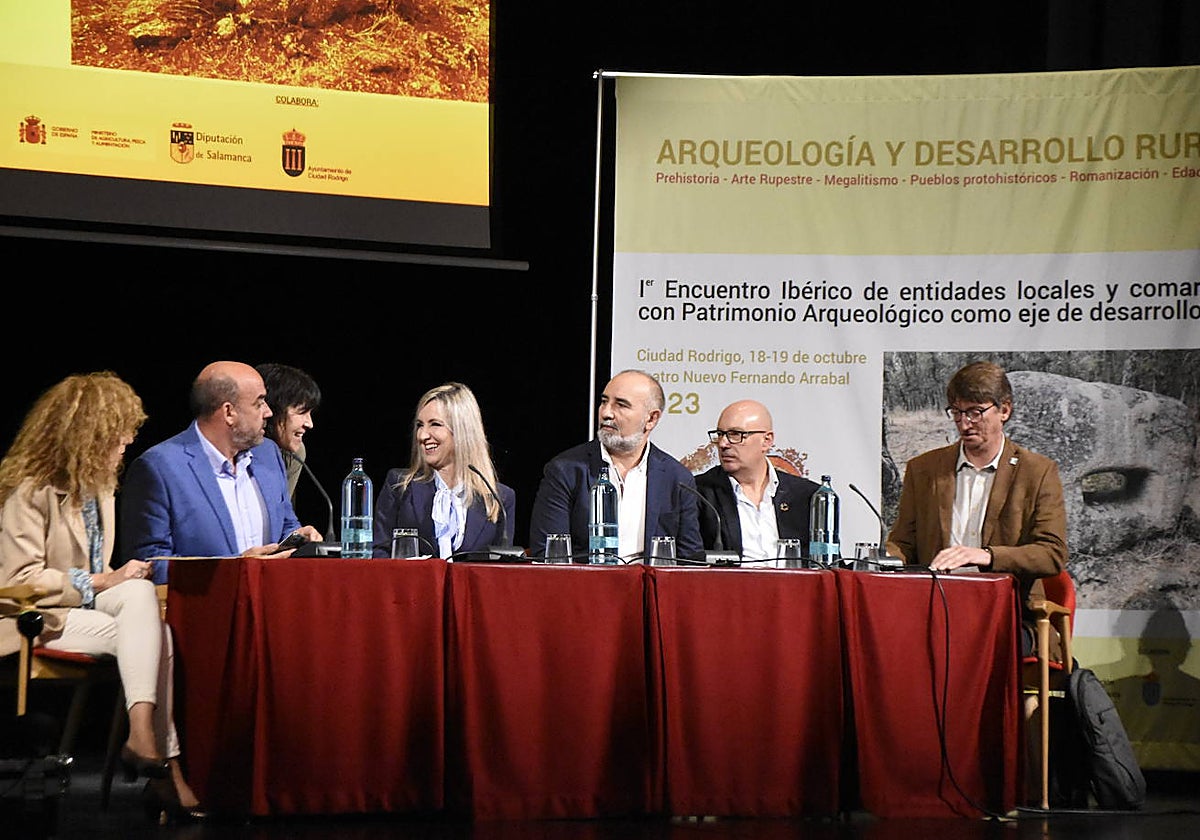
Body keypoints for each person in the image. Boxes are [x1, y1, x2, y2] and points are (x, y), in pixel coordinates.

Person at [0, 372, 203, 821]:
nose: (127, 443)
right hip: (34, 614)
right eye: (120, 434)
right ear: (89, 436)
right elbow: (19, 577)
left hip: (82, 607)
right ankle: (164, 765)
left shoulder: (100, 488)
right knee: (156, 636)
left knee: (143, 599)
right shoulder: (28, 489)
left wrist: (116, 579)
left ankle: (143, 738)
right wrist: (101, 581)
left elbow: (104, 576)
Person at [884, 361, 1068, 802]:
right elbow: (902, 543)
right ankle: (910, 778)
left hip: (1008, 618)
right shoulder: (925, 469)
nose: (965, 422)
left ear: (1004, 410)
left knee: (965, 654)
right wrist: (884, 560)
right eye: (957, 412)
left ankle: (989, 781)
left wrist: (986, 556)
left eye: (976, 412)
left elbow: (1052, 553)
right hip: (935, 609)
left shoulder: (1037, 472)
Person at [119, 361, 323, 582]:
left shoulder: (268, 454)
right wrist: (234, 568)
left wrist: (297, 538)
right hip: (203, 602)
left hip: (270, 597)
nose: (268, 412)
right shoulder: (159, 468)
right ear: (229, 412)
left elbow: (285, 524)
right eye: (259, 403)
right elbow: (148, 564)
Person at [529, 369, 702, 562]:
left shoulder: (677, 478)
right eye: (604, 402)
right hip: (585, 580)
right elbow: (549, 553)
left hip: (649, 581)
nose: (606, 413)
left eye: (621, 405)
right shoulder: (566, 470)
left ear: (651, 419)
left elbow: (691, 560)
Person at [372, 382, 515, 558]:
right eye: (420, 425)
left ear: (462, 430)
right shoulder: (400, 486)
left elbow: (501, 567)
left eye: (435, 424)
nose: (422, 435)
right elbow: (378, 554)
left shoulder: (499, 499)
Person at [695, 399, 820, 561]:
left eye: (736, 434)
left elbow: (827, 564)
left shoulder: (807, 496)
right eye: (720, 434)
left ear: (767, 441)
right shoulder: (699, 493)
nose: (723, 444)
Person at [255, 362, 322, 501]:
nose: (309, 424)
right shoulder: (231, 450)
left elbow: (281, 511)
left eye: (310, 413)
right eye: (301, 412)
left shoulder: (295, 454)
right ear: (270, 409)